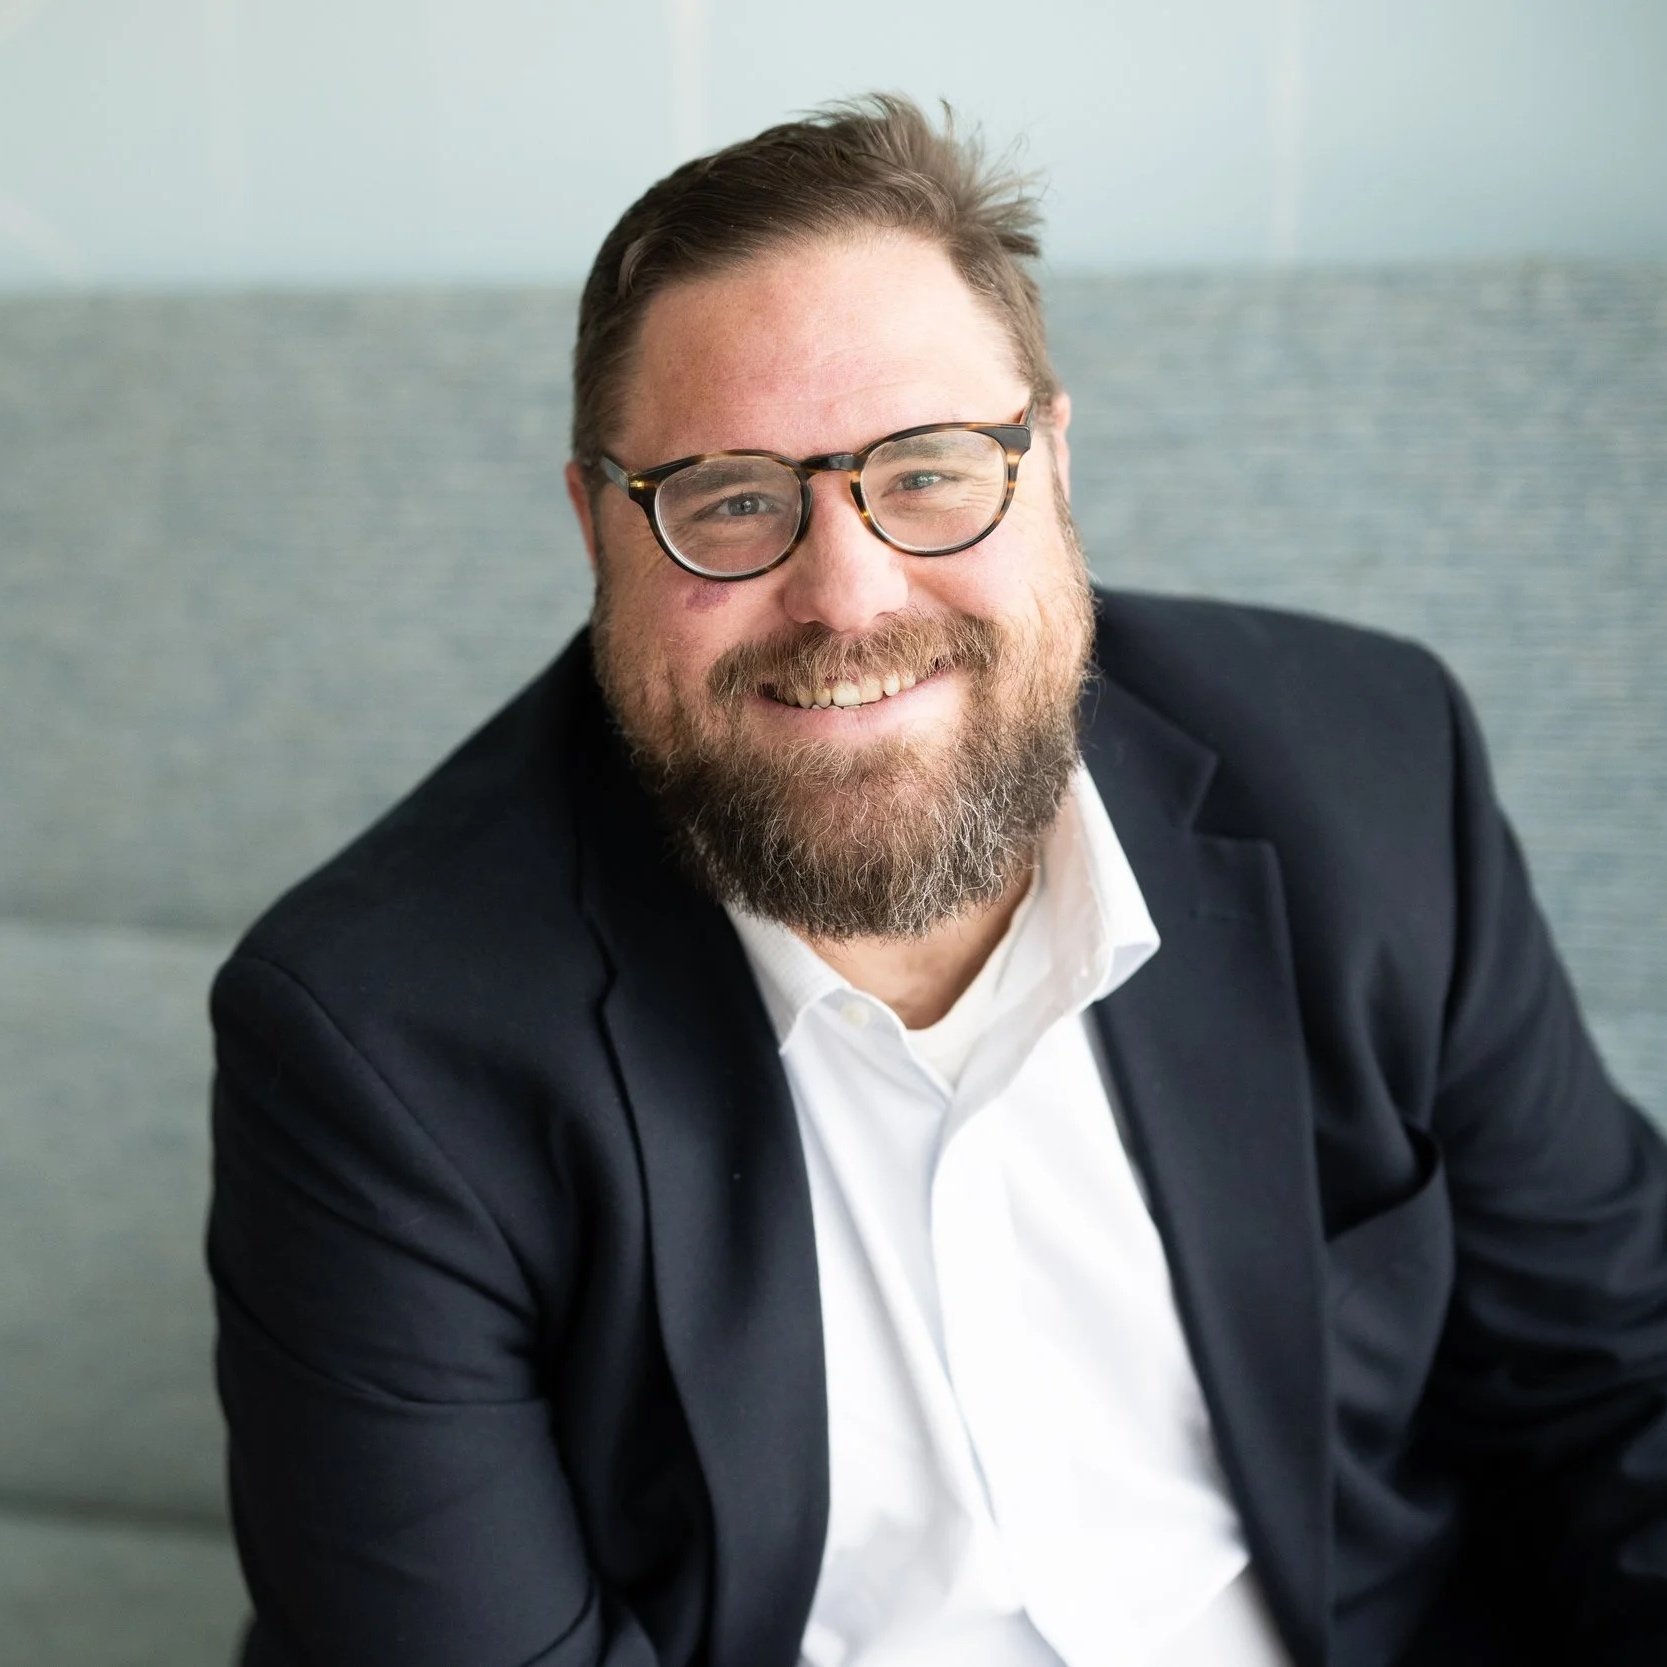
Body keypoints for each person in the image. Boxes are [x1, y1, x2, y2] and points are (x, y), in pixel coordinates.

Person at [206, 95, 1667, 1667]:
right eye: (732, 500)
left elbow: (1617, 1383)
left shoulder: (1369, 774)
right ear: (597, 527)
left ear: (1052, 459)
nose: (847, 595)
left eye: (927, 471)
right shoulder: (374, 1040)